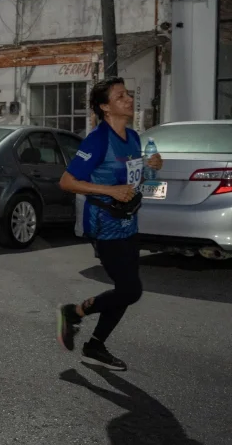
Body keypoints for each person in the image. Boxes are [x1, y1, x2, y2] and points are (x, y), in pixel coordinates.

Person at [56, 77, 163, 371]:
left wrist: (151, 167)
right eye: (120, 96)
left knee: (124, 291)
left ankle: (94, 346)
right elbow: (67, 182)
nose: (128, 99)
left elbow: (133, 181)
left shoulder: (134, 138)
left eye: (128, 94)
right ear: (105, 107)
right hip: (105, 225)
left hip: (129, 223)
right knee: (130, 290)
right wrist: (109, 191)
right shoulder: (98, 139)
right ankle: (74, 312)